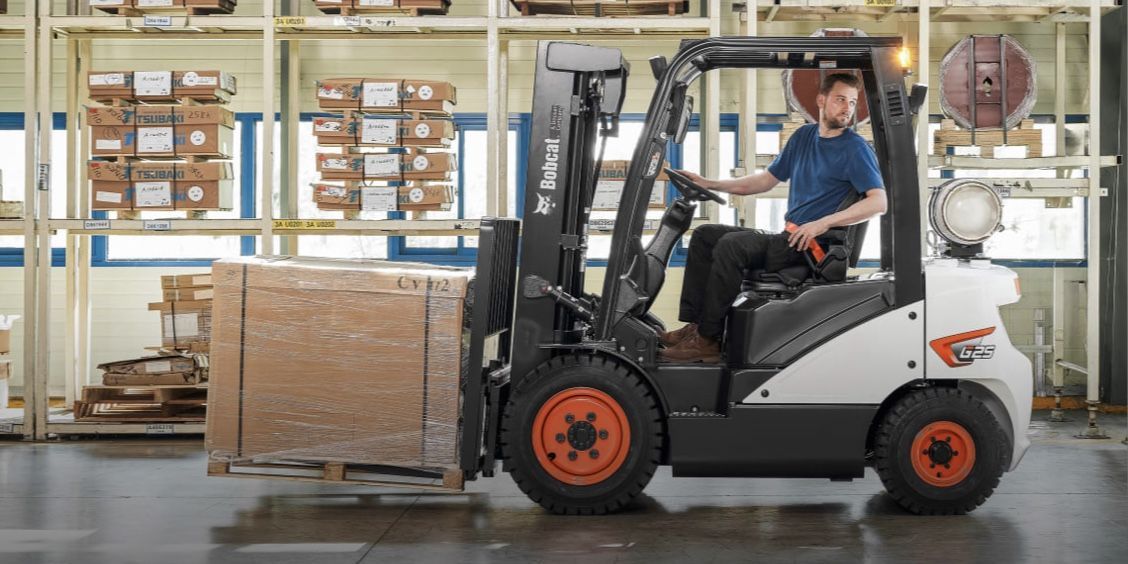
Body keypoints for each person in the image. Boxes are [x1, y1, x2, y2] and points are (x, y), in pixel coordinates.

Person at [660, 72, 888, 363]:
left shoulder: (855, 149)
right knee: (706, 235)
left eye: (852, 103)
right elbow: (766, 181)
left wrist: (823, 222)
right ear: (821, 100)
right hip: (789, 237)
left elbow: (878, 202)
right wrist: (710, 183)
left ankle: (707, 341)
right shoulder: (804, 136)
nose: (847, 108)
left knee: (732, 245)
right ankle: (695, 327)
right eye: (840, 100)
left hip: (811, 246)